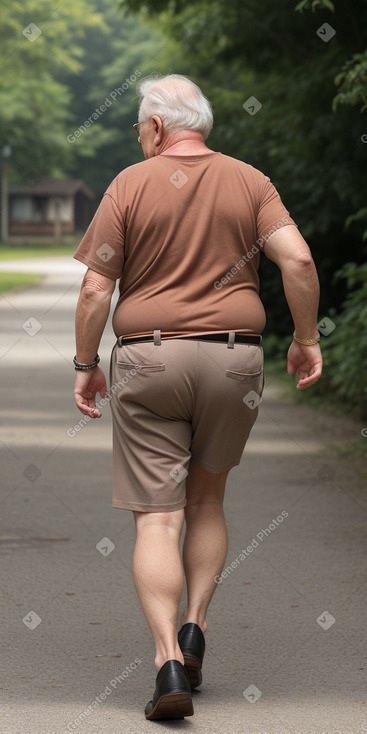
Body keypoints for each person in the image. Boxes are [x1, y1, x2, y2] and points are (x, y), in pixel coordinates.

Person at [72, 73, 322, 720]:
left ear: (155, 127)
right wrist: (304, 339)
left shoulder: (130, 182)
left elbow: (97, 288)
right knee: (207, 498)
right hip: (232, 360)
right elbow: (295, 262)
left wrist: (84, 363)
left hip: (148, 359)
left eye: (138, 127)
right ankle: (194, 627)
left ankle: (166, 664)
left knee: (158, 517)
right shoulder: (250, 181)